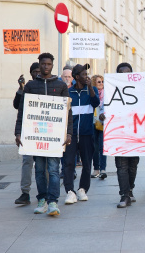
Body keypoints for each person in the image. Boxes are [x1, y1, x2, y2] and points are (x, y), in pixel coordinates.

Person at [15, 53, 73, 216]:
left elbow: (68, 112)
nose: (46, 66)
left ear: (52, 65)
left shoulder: (61, 86)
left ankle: (53, 201)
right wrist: (18, 132)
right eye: (43, 64)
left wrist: (69, 133)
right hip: (36, 136)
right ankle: (42, 199)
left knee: (54, 169)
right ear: (39, 65)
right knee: (39, 169)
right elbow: (22, 111)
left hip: (54, 137)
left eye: (48, 64)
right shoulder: (31, 86)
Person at [63, 64, 100, 205]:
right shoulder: (68, 92)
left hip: (86, 134)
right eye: (84, 74)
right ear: (77, 77)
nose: (87, 76)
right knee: (69, 163)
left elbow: (95, 102)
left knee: (86, 163)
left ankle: (82, 189)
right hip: (71, 135)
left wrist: (90, 87)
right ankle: (70, 192)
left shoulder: (92, 90)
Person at [113, 62, 141, 208]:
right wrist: (104, 117)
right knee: (121, 165)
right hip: (119, 132)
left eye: (128, 73)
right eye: (121, 73)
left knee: (132, 165)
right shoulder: (112, 90)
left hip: (135, 132)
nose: (125, 76)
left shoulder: (138, 90)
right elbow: (104, 108)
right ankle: (124, 195)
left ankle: (129, 189)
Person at [13, 62, 40, 205]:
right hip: (28, 130)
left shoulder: (45, 85)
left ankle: (45, 191)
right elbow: (17, 106)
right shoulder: (28, 87)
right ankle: (25, 192)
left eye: (38, 71)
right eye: (34, 71)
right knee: (27, 161)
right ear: (31, 73)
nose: (37, 73)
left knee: (45, 163)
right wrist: (21, 89)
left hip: (42, 130)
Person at [90, 74, 107, 179]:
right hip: (93, 122)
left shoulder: (107, 94)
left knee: (102, 147)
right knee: (95, 147)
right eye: (98, 82)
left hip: (104, 122)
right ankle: (96, 168)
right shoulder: (92, 93)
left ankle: (103, 169)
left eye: (102, 81)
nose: (101, 84)